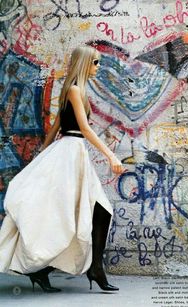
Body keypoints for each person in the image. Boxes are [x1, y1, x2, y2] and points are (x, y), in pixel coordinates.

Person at [0, 46, 125, 292]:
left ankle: (90, 268)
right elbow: (85, 129)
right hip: (70, 153)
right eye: (96, 63)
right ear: (85, 63)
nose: (98, 67)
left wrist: (42, 154)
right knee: (69, 216)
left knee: (99, 211)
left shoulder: (75, 90)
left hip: (72, 153)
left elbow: (56, 124)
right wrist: (111, 155)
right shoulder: (75, 90)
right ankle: (57, 270)